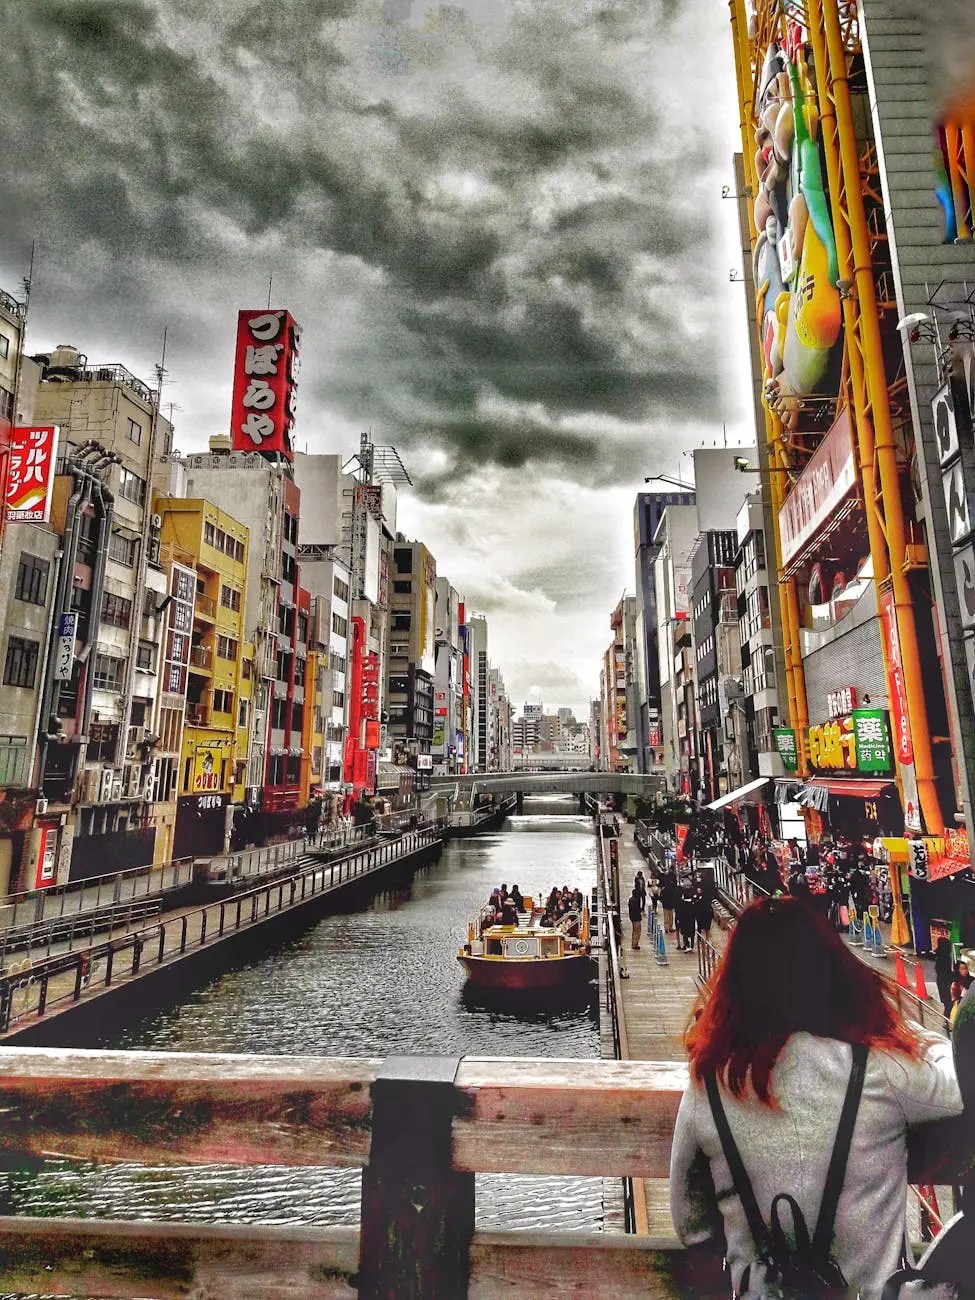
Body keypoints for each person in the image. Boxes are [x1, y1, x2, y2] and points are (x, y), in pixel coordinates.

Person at [669, 896, 962, 1300]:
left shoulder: (710, 1083)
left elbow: (691, 1226)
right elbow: (959, 1077)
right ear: (832, 973)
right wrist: (904, 1032)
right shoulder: (878, 1070)